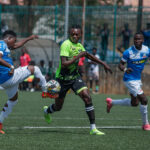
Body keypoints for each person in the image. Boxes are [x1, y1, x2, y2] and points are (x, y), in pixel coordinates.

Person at [43, 24, 112, 135]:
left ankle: (93, 128)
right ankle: (47, 111)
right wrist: (79, 56)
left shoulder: (79, 46)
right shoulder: (65, 44)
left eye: (77, 34)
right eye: (72, 34)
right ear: (69, 34)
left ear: (80, 35)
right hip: (62, 80)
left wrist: (103, 63)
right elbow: (64, 64)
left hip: (74, 77)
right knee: (58, 107)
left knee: (87, 97)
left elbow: (88, 55)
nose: (74, 36)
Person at [0, 30, 47, 134]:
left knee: (13, 100)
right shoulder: (1, 44)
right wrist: (10, 66)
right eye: (14, 40)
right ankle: (46, 90)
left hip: (5, 81)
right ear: (8, 39)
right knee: (34, 69)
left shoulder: (7, 45)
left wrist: (29, 38)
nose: (15, 43)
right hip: (10, 77)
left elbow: (17, 45)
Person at [106, 32, 150, 131]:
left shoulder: (147, 50)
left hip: (137, 79)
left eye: (139, 39)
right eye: (135, 39)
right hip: (129, 80)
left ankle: (112, 102)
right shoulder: (128, 52)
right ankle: (146, 124)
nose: (137, 41)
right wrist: (125, 69)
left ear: (143, 40)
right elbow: (120, 65)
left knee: (134, 103)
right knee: (144, 100)